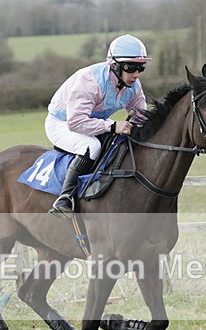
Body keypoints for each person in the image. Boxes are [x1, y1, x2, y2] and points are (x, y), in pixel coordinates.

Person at [45, 34, 150, 217]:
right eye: (131, 67)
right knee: (91, 146)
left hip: (90, 123)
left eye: (140, 68)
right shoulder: (89, 82)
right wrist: (112, 126)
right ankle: (64, 198)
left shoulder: (134, 85)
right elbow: (76, 122)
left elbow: (141, 114)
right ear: (115, 65)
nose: (136, 74)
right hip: (62, 124)